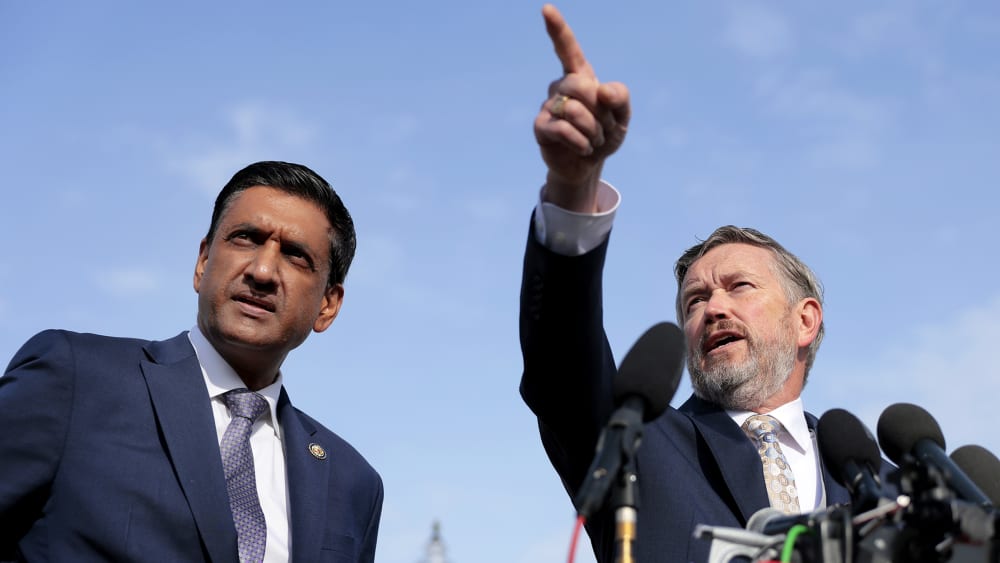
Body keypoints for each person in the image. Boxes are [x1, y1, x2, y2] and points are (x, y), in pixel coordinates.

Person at [519, 6, 877, 562]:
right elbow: (562, 363)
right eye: (695, 300)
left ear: (805, 320)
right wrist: (573, 189)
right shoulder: (637, 445)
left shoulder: (881, 483)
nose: (712, 309)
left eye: (739, 287)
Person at [0, 161, 382, 562]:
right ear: (203, 261)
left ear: (328, 305)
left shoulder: (353, 483)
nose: (264, 270)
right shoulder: (75, 379)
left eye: (295, 256)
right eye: (246, 238)